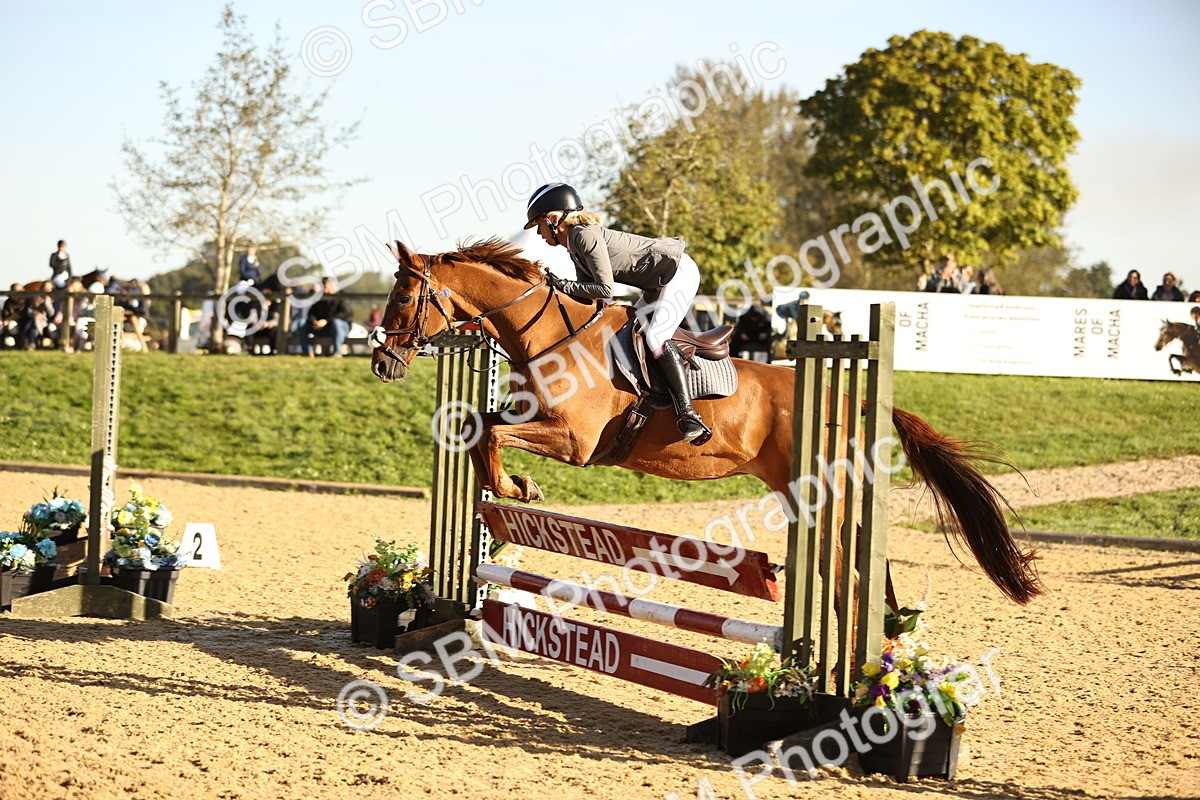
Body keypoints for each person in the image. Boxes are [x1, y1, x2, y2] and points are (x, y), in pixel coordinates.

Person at [524, 181, 709, 444]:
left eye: (539, 226)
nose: (540, 234)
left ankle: (688, 414)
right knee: (628, 332)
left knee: (655, 338)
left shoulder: (582, 235)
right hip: (656, 284)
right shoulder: (574, 245)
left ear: (552, 219)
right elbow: (586, 295)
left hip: (677, 274)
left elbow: (603, 289)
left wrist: (560, 284)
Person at [302, 277, 352, 357]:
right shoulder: (321, 298)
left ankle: (337, 353)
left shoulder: (342, 297)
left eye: (326, 288)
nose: (324, 291)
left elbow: (345, 314)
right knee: (302, 325)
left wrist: (327, 321)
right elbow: (312, 313)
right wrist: (314, 321)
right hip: (323, 327)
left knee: (337, 323)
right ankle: (308, 353)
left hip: (340, 327)